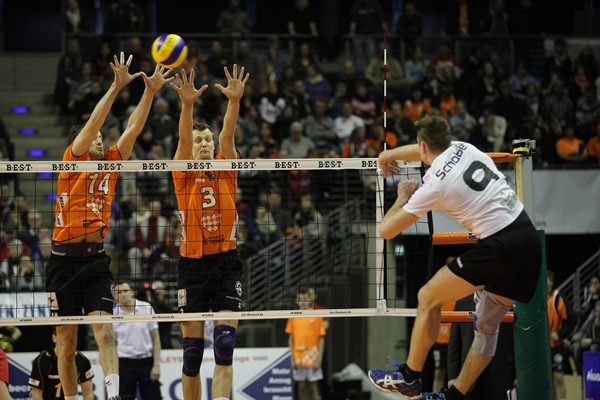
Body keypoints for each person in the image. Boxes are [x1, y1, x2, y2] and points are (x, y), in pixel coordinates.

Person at [368, 115, 541, 400]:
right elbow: (423, 149)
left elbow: (386, 231)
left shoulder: (434, 184)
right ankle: (454, 396)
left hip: (498, 246)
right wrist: (388, 155)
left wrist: (402, 198)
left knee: (427, 297)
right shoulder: (465, 147)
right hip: (528, 241)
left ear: (423, 146)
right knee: (486, 328)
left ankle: (409, 378)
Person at [44, 53, 173, 400]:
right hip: (62, 263)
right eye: (96, 137)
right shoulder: (73, 159)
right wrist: (116, 86)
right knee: (67, 345)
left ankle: (113, 395)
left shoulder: (112, 162)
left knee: (105, 332)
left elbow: (133, 128)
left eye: (103, 136)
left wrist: (150, 92)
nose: (100, 139)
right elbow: (91, 125)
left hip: (96, 261)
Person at [170, 64, 248, 400]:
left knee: (225, 346)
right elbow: (183, 139)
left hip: (226, 262)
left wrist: (234, 101)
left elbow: (228, 135)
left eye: (207, 140)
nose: (203, 144)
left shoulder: (226, 166)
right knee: (191, 355)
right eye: (199, 140)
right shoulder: (182, 172)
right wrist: (187, 105)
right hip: (192, 266)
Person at [447, 291, 515, 399]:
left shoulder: (506, 301)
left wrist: (517, 375)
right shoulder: (462, 303)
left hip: (501, 373)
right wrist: (452, 376)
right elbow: (454, 343)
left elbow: (517, 340)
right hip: (469, 375)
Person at [113, 281, 161, 400]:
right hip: (124, 364)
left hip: (147, 362)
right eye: (119, 292)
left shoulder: (146, 308)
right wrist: (111, 374)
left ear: (132, 292)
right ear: (114, 296)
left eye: (125, 291)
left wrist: (156, 365)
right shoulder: (112, 314)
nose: (123, 294)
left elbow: (156, 339)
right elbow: (111, 346)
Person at [28, 327, 94, 400]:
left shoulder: (82, 360)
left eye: (70, 336)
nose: (67, 340)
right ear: (54, 338)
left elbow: (88, 394)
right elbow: (36, 393)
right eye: (63, 336)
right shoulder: (42, 360)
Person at [286, 287, 326, 400]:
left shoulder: (317, 316)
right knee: (301, 386)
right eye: (299, 299)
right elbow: (291, 339)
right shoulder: (293, 316)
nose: (302, 302)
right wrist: (292, 359)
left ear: (309, 300)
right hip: (299, 357)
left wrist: (319, 359)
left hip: (313, 356)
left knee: (313, 386)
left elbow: (321, 339)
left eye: (304, 299)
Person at [547, 269, 577, 400]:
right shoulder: (537, 298)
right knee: (546, 380)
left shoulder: (557, 297)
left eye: (546, 280)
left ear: (551, 282)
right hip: (542, 347)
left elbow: (572, 318)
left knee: (558, 378)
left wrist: (559, 334)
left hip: (556, 345)